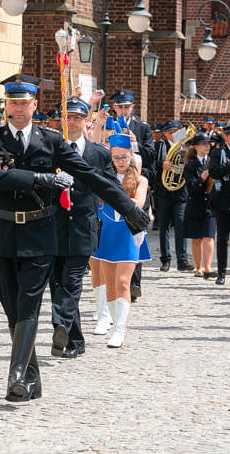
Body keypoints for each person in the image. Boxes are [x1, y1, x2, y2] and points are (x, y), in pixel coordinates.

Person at [0, 74, 149, 402]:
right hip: (2, 233)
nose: (17, 107)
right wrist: (39, 178)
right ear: (6, 106)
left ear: (34, 105)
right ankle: (31, 379)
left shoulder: (51, 140)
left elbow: (90, 175)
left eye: (23, 102)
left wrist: (128, 208)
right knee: (12, 310)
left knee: (28, 304)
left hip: (40, 235)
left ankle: (15, 375)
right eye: (12, 102)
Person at [49, 96, 115, 359]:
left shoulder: (98, 153)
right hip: (53, 225)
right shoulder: (52, 148)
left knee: (72, 281)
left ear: (86, 121)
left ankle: (60, 325)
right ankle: (75, 339)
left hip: (83, 226)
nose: (73, 122)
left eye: (78, 117)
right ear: (63, 120)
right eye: (69, 117)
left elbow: (110, 187)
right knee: (56, 283)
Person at [90, 132, 149, 348]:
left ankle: (120, 330)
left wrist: (112, 196)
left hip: (128, 234)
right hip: (106, 233)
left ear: (131, 156)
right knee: (111, 284)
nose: (121, 162)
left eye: (124, 157)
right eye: (116, 158)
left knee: (123, 281)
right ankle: (112, 323)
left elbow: (138, 203)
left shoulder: (140, 179)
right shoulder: (104, 179)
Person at [110, 89, 154, 302]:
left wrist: (134, 144)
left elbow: (151, 155)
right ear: (115, 107)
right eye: (120, 106)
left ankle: (134, 283)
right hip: (115, 183)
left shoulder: (142, 127)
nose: (123, 110)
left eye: (127, 106)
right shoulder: (111, 125)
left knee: (136, 233)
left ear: (132, 107)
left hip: (135, 184)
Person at [209, 123, 230, 285]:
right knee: (222, 238)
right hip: (223, 199)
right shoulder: (217, 152)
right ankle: (221, 273)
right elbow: (214, 172)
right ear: (225, 137)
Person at [154, 120, 190, 272]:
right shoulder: (159, 146)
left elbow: (192, 165)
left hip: (180, 192)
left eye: (176, 131)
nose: (173, 134)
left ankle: (182, 260)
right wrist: (161, 164)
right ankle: (165, 259)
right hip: (163, 191)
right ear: (165, 133)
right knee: (164, 227)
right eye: (170, 132)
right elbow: (150, 163)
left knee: (181, 225)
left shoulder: (186, 147)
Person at [183, 132, 216, 278]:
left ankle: (208, 267)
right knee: (196, 238)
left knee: (209, 236)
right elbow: (190, 187)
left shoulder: (213, 161)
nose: (207, 146)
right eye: (203, 143)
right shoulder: (190, 165)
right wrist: (201, 179)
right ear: (196, 146)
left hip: (210, 204)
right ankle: (198, 267)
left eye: (208, 143)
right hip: (195, 203)